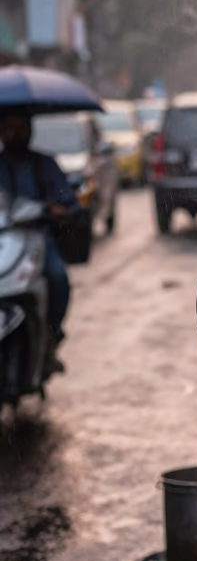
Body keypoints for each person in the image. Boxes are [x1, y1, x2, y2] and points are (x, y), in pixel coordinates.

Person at [0, 110, 79, 372]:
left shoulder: (44, 165)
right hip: (4, 241)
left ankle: (50, 338)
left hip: (36, 242)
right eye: (9, 127)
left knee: (58, 278)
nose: (15, 133)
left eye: (20, 127)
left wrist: (59, 208)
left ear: (30, 129)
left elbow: (68, 200)